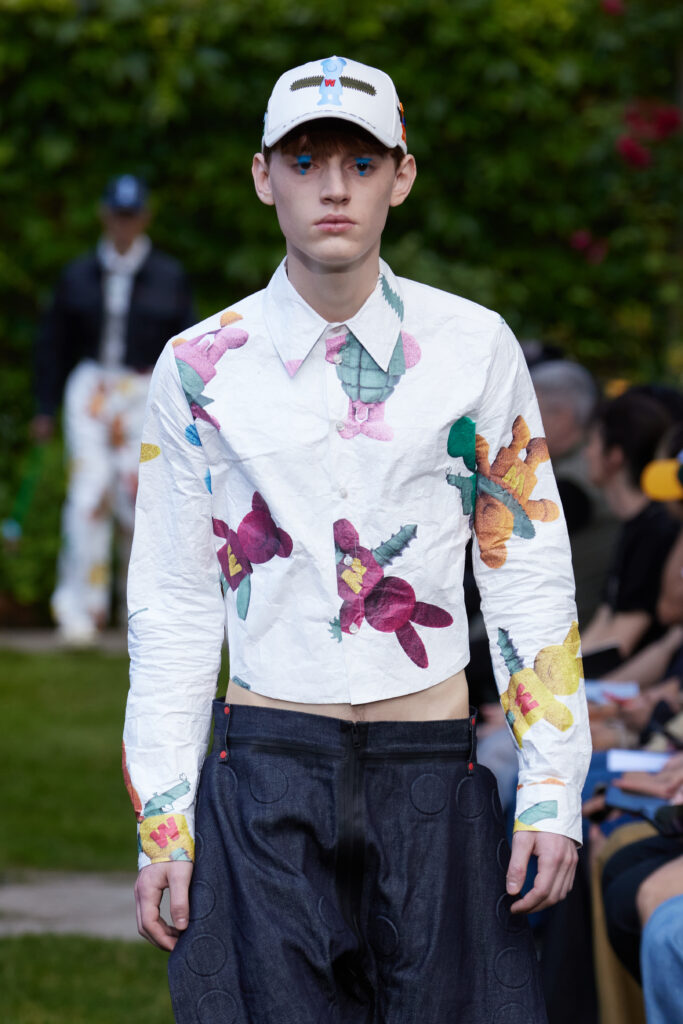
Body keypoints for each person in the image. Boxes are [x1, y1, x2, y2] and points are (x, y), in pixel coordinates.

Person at [123, 58, 591, 1023]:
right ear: (264, 176)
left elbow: (525, 570)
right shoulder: (199, 367)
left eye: (360, 162)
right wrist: (163, 818)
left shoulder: (473, 348)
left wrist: (550, 786)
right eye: (305, 161)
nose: (332, 187)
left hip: (430, 765)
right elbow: (172, 599)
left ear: (400, 177)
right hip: (266, 762)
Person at [34, 175, 195, 645]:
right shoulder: (78, 274)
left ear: (144, 217)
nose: (124, 225)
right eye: (117, 215)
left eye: (132, 215)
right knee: (88, 493)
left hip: (143, 389)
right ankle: (78, 611)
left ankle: (139, 610)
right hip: (90, 387)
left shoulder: (169, 276)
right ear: (105, 216)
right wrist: (44, 407)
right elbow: (53, 345)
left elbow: (186, 346)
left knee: (139, 495)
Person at [581, 390, 678, 672]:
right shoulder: (635, 524)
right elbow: (606, 617)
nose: (586, 453)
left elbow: (620, 641)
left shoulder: (656, 529)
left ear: (615, 456)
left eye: (592, 442)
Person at [531, 359, 617, 627]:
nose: (518, 423)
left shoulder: (576, 482)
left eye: (528, 411)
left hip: (562, 629)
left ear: (563, 416)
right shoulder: (571, 467)